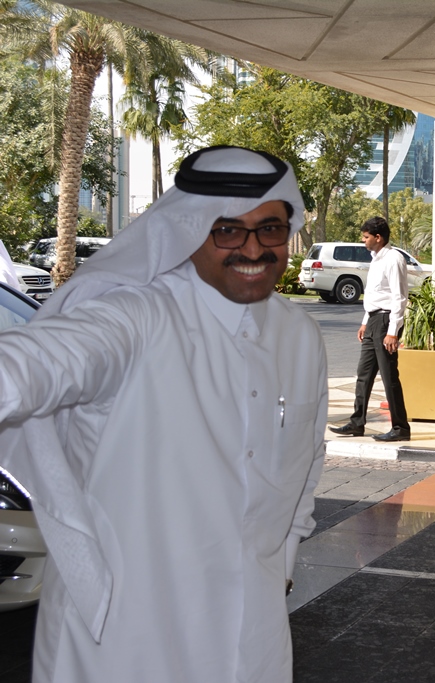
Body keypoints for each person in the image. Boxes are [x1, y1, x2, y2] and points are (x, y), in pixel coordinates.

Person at [0, 146, 328, 683]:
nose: (253, 248)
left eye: (269, 229)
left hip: (254, 640)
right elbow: (34, 365)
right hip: (125, 639)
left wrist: (280, 568)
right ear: (189, 230)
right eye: (228, 230)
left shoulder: (300, 336)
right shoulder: (135, 317)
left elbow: (305, 466)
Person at [329, 216, 411, 442]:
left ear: (378, 237)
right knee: (363, 375)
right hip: (374, 320)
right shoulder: (376, 259)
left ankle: (400, 428)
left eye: (366, 237)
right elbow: (375, 294)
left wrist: (393, 331)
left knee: (389, 376)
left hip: (386, 321)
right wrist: (366, 321)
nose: (363, 240)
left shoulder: (393, 259)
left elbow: (399, 297)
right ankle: (357, 423)